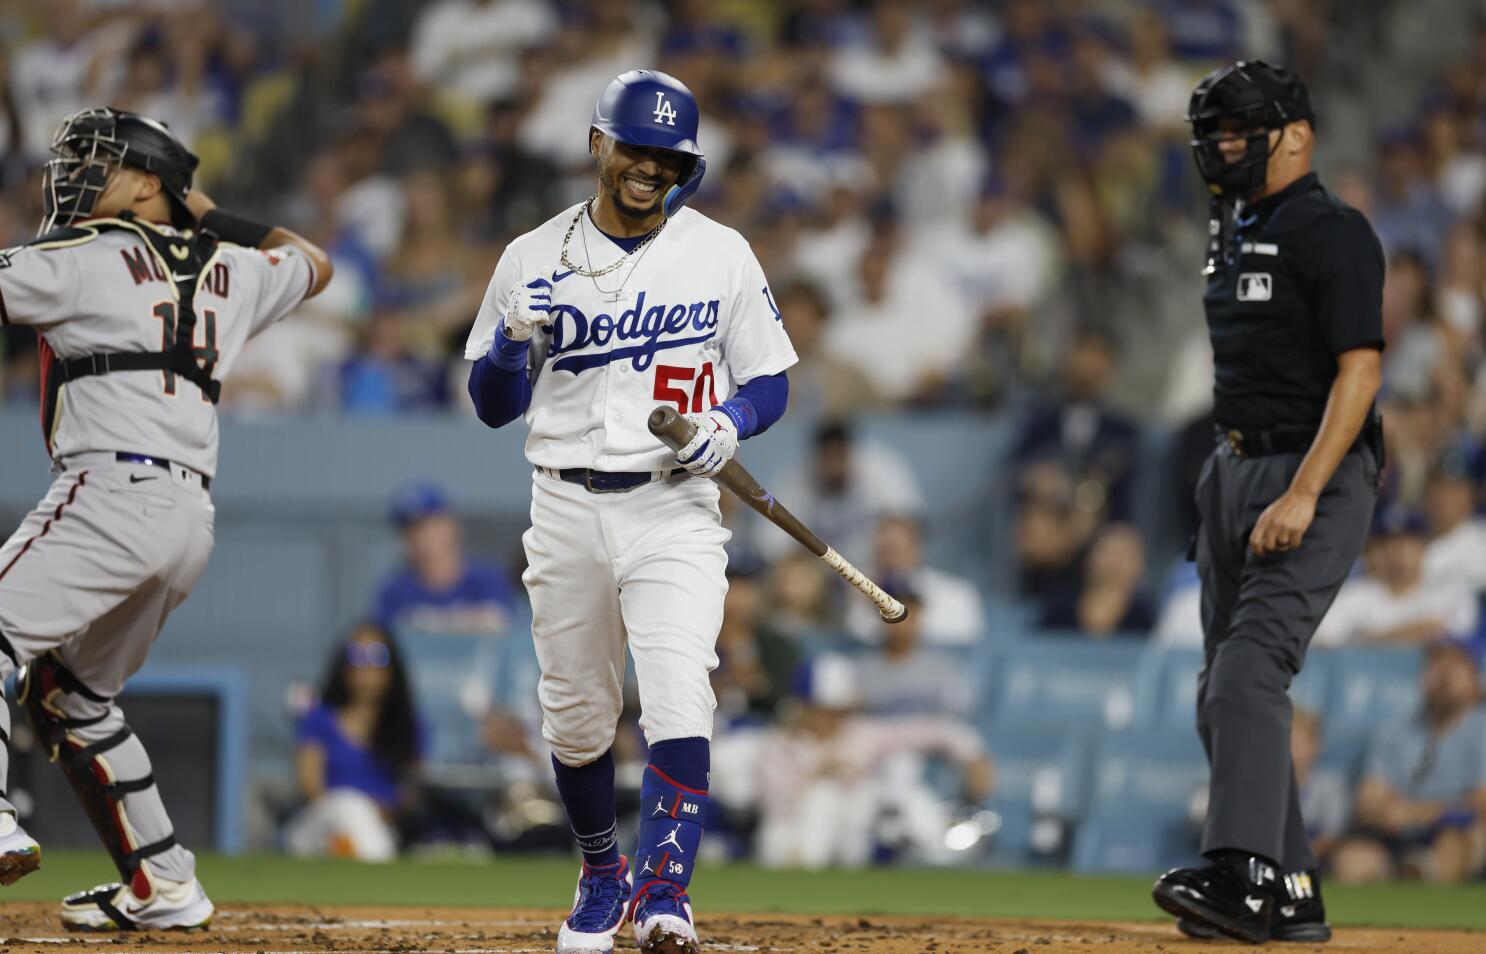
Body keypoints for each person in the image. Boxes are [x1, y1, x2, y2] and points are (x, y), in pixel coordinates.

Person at [461, 70, 796, 954]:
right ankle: (603, 872)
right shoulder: (531, 255)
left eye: (669, 157)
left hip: (675, 504)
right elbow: (492, 404)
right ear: (597, 147)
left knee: (682, 689)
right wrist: (506, 345)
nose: (650, 168)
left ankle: (664, 893)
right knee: (575, 713)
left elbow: (771, 379)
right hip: (565, 503)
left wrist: (731, 422)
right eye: (635, 150)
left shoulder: (720, 250)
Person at [0, 108, 332, 929]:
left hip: (107, 491)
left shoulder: (82, 256)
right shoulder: (232, 266)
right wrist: (204, 210)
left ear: (149, 182)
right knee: (74, 696)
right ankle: (167, 885)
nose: (74, 173)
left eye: (98, 161)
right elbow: (315, 262)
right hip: (187, 520)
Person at [1152, 63, 1385, 945]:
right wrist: (1227, 484)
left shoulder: (1334, 233)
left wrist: (1305, 489)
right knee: (1224, 686)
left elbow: (1360, 371)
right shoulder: (1235, 228)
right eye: (1213, 132)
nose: (1221, 147)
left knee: (1251, 672)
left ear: (1296, 135)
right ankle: (1290, 888)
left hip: (1310, 471)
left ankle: (1241, 874)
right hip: (1234, 467)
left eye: (1239, 130)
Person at [1329, 638, 1486, 885]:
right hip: (1395, 831)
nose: (1444, 674)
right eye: (1436, 664)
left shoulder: (1481, 727)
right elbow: (1371, 794)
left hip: (1453, 831)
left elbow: (1481, 801)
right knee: (1352, 860)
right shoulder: (1394, 728)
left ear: (1476, 680)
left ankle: (1422, 876)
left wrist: (1417, 813)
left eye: (1456, 665)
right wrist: (1382, 810)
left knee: (1460, 840)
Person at [287, 624, 421, 862]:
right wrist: (359, 807)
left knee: (362, 821)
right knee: (350, 806)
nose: (366, 667)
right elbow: (310, 786)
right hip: (320, 826)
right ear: (344, 665)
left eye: (377, 656)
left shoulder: (407, 725)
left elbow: (409, 792)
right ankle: (376, 874)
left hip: (379, 829)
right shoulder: (319, 718)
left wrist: (383, 810)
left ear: (391, 669)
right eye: (357, 656)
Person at [1313, 506, 1478, 647]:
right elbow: (1324, 642)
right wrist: (1420, 630)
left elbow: (1462, 636)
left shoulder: (1449, 591)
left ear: (1424, 547)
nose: (1398, 551)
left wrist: (1370, 639)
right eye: (1389, 543)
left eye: (1407, 542)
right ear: (1373, 551)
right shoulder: (1352, 596)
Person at [373, 482, 517, 636]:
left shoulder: (488, 579)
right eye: (410, 531)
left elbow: (508, 628)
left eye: (429, 526)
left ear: (451, 525)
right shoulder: (395, 591)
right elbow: (378, 638)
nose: (421, 538)